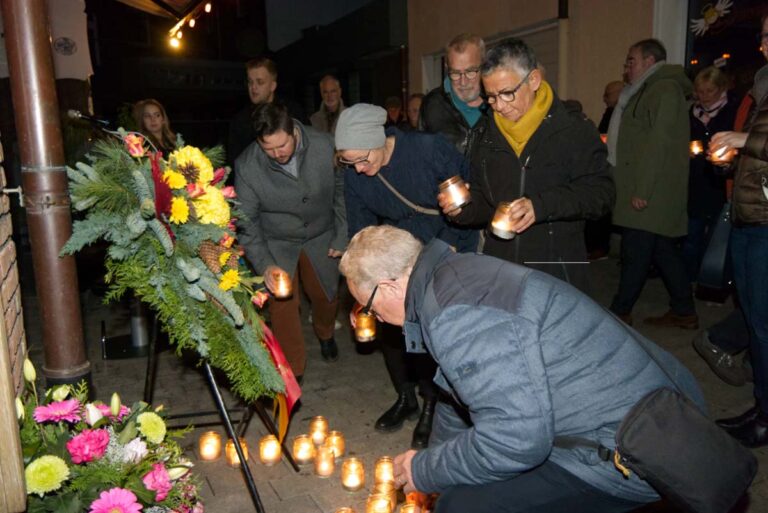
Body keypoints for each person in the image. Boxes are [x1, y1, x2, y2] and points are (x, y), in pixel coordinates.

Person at [339, 225, 705, 513]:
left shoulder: (457, 315)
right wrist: (435, 464)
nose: (376, 319)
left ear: (388, 286)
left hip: (632, 446)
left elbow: (518, 440)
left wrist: (427, 470)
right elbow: (456, 397)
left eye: (368, 307)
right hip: (631, 411)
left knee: (464, 507)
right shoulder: (448, 276)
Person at [335, 103, 477, 449]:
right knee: (389, 326)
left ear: (379, 139)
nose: (359, 169)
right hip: (395, 254)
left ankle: (432, 403)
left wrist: (446, 255)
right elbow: (360, 224)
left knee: (430, 333)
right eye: (349, 162)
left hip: (445, 244)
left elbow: (467, 205)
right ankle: (405, 396)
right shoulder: (356, 172)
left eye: (363, 159)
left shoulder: (428, 150)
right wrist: (361, 271)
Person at [439, 38, 614, 293]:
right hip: (501, 268)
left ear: (533, 80)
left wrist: (540, 206)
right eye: (491, 97)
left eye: (507, 93)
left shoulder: (572, 130)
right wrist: (462, 207)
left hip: (557, 269)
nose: (499, 106)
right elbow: (486, 202)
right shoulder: (485, 135)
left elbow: (602, 193)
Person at [235, 102, 347, 380]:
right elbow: (246, 224)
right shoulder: (247, 166)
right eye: (268, 148)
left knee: (327, 297)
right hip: (277, 241)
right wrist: (265, 266)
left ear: (293, 130)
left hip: (322, 235)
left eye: (281, 146)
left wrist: (342, 234)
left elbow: (344, 192)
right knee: (282, 305)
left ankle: (325, 332)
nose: (276, 154)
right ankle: (292, 371)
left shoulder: (325, 145)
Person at [606, 39, 697, 328]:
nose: (627, 67)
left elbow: (659, 145)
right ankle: (684, 311)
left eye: (631, 60)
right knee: (663, 251)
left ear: (649, 61)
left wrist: (642, 191)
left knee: (635, 252)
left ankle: (619, 311)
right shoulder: (645, 89)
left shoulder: (664, 90)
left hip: (650, 192)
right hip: (645, 188)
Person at [708, 13, 768, 447]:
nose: (762, 45)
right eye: (762, 36)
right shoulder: (764, 87)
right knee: (754, 317)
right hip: (751, 217)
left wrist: (745, 142)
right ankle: (762, 406)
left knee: (764, 324)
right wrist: (735, 157)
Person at [683, 66, 738, 282]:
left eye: (710, 91)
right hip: (695, 182)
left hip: (721, 183)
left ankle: (712, 281)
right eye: (700, 91)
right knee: (691, 236)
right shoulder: (691, 113)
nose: (704, 96)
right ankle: (688, 281)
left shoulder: (732, 111)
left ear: (721, 89)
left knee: (717, 237)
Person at [228, 57, 305, 164]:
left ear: (273, 86)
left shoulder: (292, 111)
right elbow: (235, 161)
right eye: (250, 82)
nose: (253, 87)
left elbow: (307, 145)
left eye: (260, 82)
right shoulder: (240, 121)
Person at [420, 33, 487, 155]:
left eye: (470, 71)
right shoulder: (432, 106)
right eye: (455, 73)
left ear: (484, 65)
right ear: (447, 68)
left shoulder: (500, 103)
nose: (463, 82)